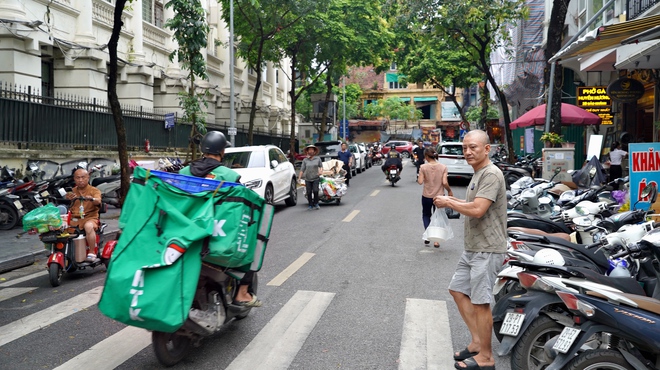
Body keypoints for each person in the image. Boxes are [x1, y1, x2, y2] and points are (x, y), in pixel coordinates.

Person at [433, 130, 506, 370]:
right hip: (473, 248)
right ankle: (477, 342)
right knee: (457, 290)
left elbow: (477, 210)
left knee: (481, 303)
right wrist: (452, 202)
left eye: (472, 147)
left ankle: (486, 358)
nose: (467, 152)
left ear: (487, 149)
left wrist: (449, 202)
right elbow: (471, 204)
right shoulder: (478, 174)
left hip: (487, 249)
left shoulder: (491, 174)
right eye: (465, 148)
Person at [179, 131, 262, 307]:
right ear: (222, 151)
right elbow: (242, 203)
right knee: (249, 248)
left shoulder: (184, 171)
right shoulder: (229, 175)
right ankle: (242, 293)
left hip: (185, 231)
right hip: (216, 234)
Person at [418, 148, 453, 247]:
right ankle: (436, 241)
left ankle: (428, 236)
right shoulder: (443, 167)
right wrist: (449, 191)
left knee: (426, 215)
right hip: (439, 196)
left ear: (426, 157)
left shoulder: (423, 167)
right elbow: (445, 182)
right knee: (438, 217)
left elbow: (420, 182)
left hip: (426, 196)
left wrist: (423, 176)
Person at [66, 169, 102, 261]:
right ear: (74, 179)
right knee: (57, 226)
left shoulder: (94, 190)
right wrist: (68, 199)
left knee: (88, 226)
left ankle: (92, 251)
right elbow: (64, 203)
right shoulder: (72, 191)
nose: (80, 180)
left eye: (83, 177)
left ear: (88, 178)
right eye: (78, 178)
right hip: (74, 219)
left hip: (90, 218)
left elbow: (98, 201)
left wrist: (92, 199)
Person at [299, 144, 323, 210]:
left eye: (312, 150)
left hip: (316, 178)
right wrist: (299, 178)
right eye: (309, 150)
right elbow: (302, 169)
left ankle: (316, 203)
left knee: (315, 191)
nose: (311, 151)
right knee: (309, 192)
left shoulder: (318, 158)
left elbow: (321, 166)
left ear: (314, 151)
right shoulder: (305, 160)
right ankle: (310, 204)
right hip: (307, 178)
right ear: (307, 151)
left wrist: (320, 172)